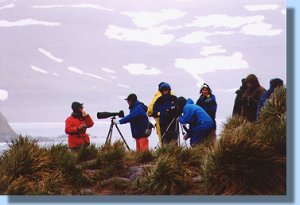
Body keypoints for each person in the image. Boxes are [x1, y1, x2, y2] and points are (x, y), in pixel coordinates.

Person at [147, 82, 175, 146]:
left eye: (166, 90)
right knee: (165, 139)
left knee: (169, 139)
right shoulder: (160, 99)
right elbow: (153, 111)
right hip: (163, 122)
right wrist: (161, 113)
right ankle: (167, 153)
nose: (165, 92)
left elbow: (150, 111)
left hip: (171, 122)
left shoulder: (158, 98)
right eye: (163, 90)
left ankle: (168, 153)